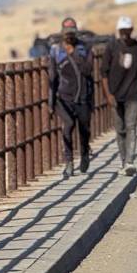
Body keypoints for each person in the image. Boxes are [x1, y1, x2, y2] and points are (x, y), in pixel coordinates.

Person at [104, 16, 137, 176]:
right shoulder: (111, 47)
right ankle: (124, 161)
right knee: (120, 130)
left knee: (131, 127)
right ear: (119, 31)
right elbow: (104, 73)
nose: (125, 34)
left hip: (134, 94)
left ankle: (130, 161)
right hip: (116, 95)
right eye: (122, 31)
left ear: (131, 30)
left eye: (127, 30)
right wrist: (108, 94)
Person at [48, 20, 94, 176]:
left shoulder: (85, 48)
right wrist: (51, 102)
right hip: (64, 97)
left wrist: (74, 54)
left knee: (84, 129)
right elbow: (52, 78)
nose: (69, 36)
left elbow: (88, 70)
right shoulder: (55, 50)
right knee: (67, 126)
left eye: (72, 33)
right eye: (67, 33)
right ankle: (68, 161)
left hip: (83, 96)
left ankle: (85, 153)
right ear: (62, 33)